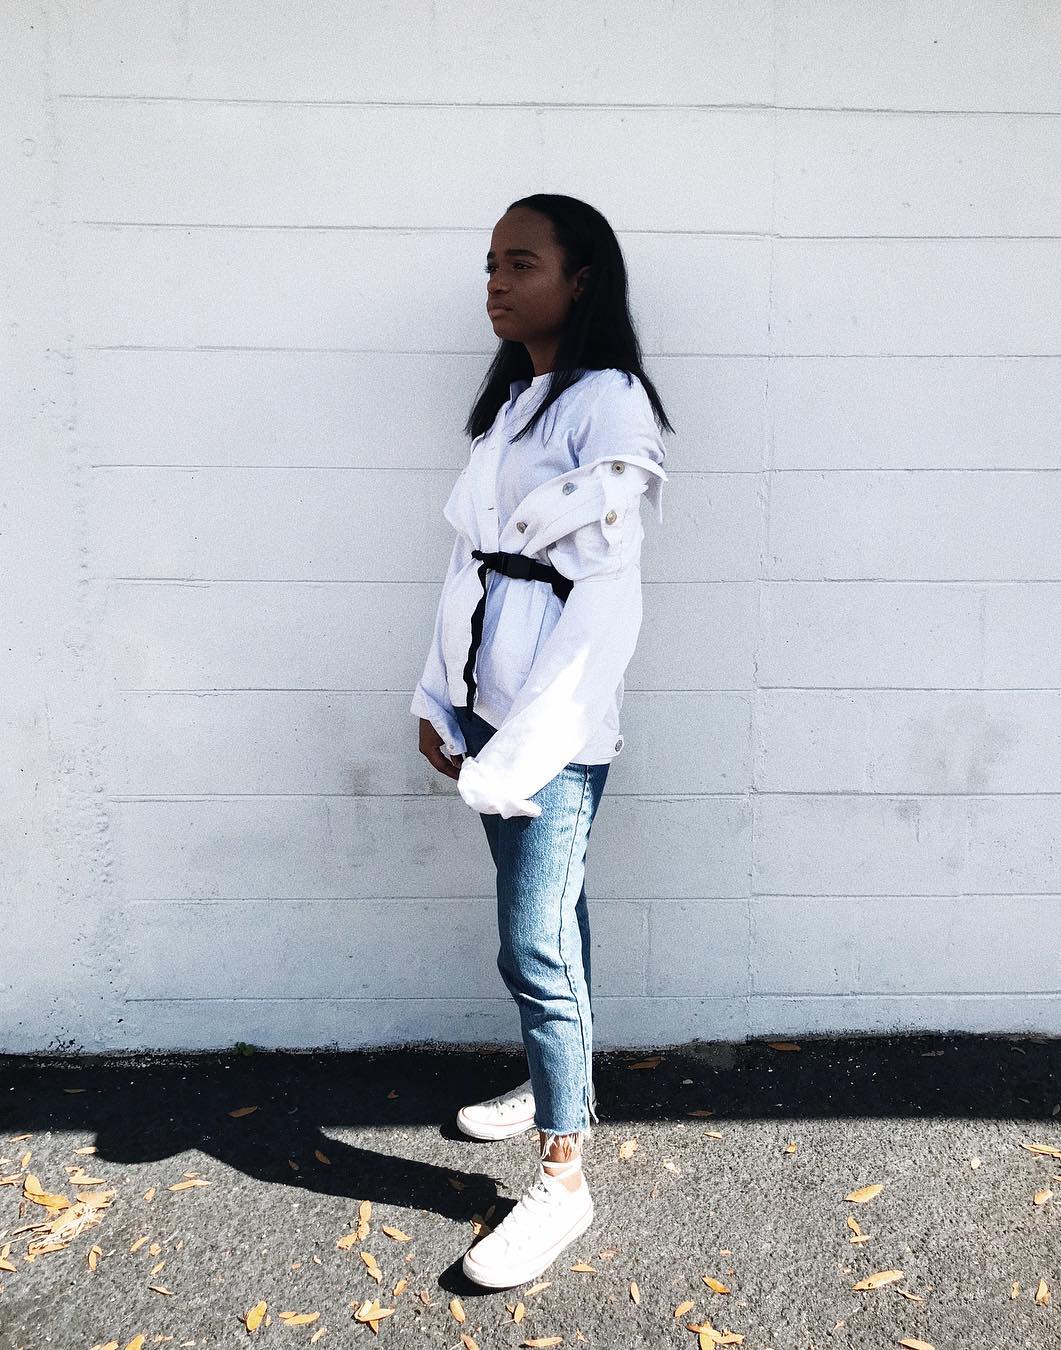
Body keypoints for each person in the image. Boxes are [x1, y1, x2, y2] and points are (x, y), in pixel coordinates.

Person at [411, 193, 673, 1290]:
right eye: (489, 263)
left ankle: (563, 1177)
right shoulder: (519, 401)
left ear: (581, 280)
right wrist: (439, 696)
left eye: (521, 262)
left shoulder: (609, 404)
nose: (495, 281)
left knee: (530, 945)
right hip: (487, 709)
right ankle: (552, 1073)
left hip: (550, 729)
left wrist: (514, 753)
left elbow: (604, 607)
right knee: (554, 923)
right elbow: (470, 567)